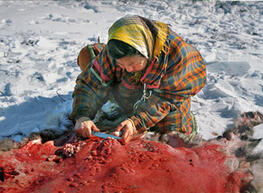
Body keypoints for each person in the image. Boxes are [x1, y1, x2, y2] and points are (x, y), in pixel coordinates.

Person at [69, 15, 206, 143]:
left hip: (162, 98)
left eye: (132, 64)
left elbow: (164, 100)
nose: (128, 69)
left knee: (171, 136)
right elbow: (89, 85)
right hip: (128, 91)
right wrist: (82, 115)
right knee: (88, 55)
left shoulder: (180, 58)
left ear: (145, 52)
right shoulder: (112, 52)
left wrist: (136, 123)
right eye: (121, 64)